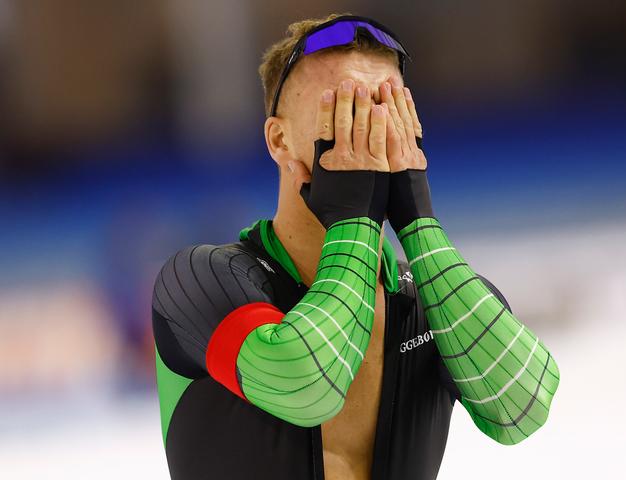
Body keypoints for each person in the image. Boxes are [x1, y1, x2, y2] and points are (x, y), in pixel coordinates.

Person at [151, 13, 560, 480]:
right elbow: (306, 384)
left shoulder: (428, 294)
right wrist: (357, 218)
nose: (365, 131)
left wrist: (420, 225)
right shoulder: (205, 280)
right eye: (342, 110)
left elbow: (521, 409)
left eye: (385, 109)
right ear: (278, 139)